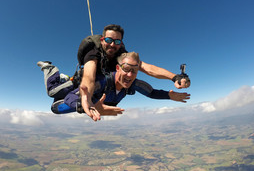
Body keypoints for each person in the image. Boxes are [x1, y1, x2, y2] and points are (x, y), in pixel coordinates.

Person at [79, 24, 191, 119]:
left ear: (121, 43)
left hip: (113, 86)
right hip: (95, 87)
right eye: (109, 40)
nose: (113, 44)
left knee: (134, 83)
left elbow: (147, 68)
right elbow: (89, 75)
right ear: (102, 40)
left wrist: (175, 77)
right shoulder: (93, 52)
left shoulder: (122, 54)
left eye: (117, 41)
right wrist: (87, 98)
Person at [37, 52, 190, 121]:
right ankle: (52, 70)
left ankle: (65, 83)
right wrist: (89, 107)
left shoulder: (132, 84)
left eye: (134, 72)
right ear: (118, 69)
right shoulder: (100, 83)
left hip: (91, 102)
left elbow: (151, 92)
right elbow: (71, 98)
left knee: (59, 105)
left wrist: (169, 96)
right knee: (53, 100)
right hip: (79, 90)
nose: (130, 75)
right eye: (126, 70)